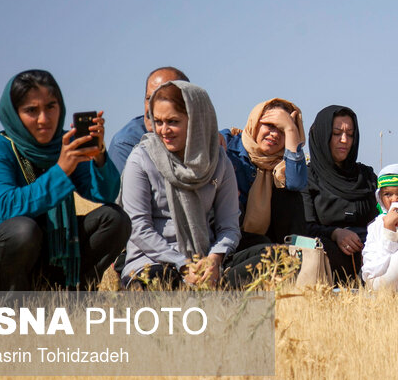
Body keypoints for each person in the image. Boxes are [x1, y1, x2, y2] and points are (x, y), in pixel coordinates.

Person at [0, 70, 130, 291]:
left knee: (115, 219)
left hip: (49, 253)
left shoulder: (64, 144)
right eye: (31, 110)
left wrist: (99, 156)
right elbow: (9, 207)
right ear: (14, 113)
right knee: (23, 229)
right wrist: (61, 170)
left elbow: (105, 194)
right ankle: (11, 308)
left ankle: (74, 292)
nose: (44, 119)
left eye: (51, 107)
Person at [120, 81, 268, 289]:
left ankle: (213, 285)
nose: (164, 130)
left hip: (205, 259)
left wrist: (214, 259)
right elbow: (138, 227)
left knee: (273, 258)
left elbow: (229, 226)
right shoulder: (142, 159)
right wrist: (182, 264)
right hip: (155, 260)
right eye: (158, 121)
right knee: (157, 282)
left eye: (173, 121)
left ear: (197, 120)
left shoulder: (218, 161)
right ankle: (208, 290)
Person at [302, 105, 378, 284]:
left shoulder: (366, 176)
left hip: (370, 252)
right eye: (336, 133)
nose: (344, 140)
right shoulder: (307, 177)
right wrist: (335, 233)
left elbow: (381, 216)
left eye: (350, 134)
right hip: (329, 252)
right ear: (323, 135)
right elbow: (304, 226)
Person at [221, 99, 307, 249]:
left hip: (262, 240)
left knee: (289, 197)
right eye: (270, 125)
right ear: (255, 122)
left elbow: (296, 183)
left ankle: (292, 256)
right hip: (223, 234)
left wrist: (291, 129)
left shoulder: (283, 163)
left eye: (282, 130)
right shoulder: (227, 143)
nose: (274, 134)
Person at [108, 66, 188, 174]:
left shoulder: (204, 135)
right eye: (149, 99)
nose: (151, 107)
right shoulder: (126, 144)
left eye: (163, 99)